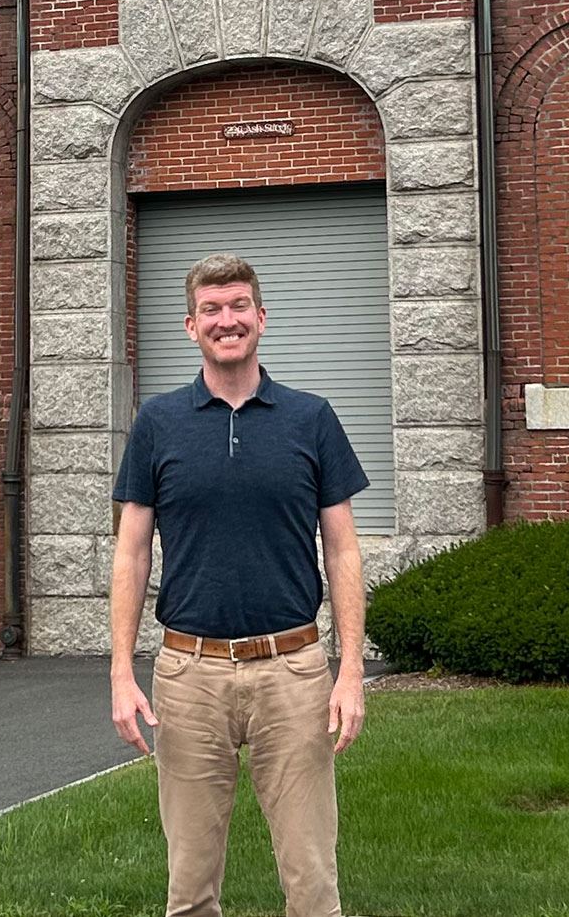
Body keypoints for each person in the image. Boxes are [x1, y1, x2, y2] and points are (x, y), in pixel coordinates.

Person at [109, 252, 368, 917]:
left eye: (239, 307)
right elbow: (132, 552)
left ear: (262, 317)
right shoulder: (157, 424)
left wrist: (349, 671)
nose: (228, 320)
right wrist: (120, 672)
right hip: (188, 676)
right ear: (190, 326)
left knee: (313, 883)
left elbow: (342, 550)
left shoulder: (311, 419)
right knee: (190, 890)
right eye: (213, 310)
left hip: (295, 671)